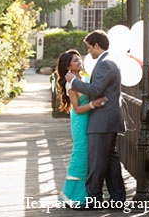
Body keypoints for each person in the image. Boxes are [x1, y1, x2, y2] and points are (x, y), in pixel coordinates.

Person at [65, 30, 126, 208]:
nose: (89, 52)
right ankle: (117, 199)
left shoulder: (105, 63)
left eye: (90, 48)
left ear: (97, 46)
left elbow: (96, 89)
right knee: (111, 163)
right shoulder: (108, 61)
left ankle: (93, 200)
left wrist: (73, 82)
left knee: (97, 162)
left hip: (103, 121)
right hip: (108, 121)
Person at [56, 49, 108, 208]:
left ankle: (88, 194)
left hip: (91, 119)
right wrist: (94, 104)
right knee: (80, 153)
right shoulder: (70, 85)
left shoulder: (85, 78)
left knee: (90, 155)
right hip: (80, 120)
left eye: (80, 59)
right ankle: (71, 194)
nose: (80, 62)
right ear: (68, 67)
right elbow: (77, 109)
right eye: (75, 61)